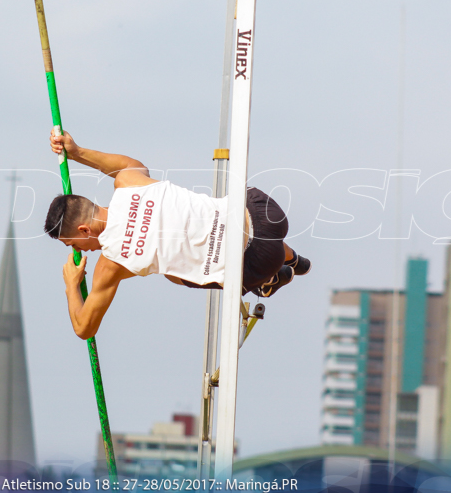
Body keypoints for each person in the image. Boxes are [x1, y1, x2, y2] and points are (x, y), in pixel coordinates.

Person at [44, 129, 311, 339]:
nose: (78, 250)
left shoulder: (112, 263)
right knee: (218, 223)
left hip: (256, 261)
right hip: (264, 212)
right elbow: (127, 163)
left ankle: (271, 276)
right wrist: (77, 152)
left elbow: (84, 328)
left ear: (83, 229)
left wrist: (71, 285)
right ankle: (292, 257)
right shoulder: (128, 182)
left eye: (73, 243)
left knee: (173, 272)